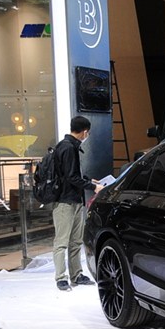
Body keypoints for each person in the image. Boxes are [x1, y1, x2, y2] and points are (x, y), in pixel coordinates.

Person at [52, 116, 104, 291]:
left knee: (75, 241)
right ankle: (61, 278)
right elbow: (70, 177)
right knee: (61, 242)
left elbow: (72, 173)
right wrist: (93, 187)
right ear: (85, 132)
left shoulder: (70, 146)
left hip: (74, 200)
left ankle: (76, 275)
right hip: (64, 202)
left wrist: (89, 180)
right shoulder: (67, 147)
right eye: (87, 133)